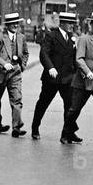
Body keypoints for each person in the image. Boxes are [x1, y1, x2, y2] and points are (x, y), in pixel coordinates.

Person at [63, 12, 93, 145]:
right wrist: (87, 71)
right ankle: (66, 132)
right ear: (91, 25)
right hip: (84, 81)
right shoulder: (84, 39)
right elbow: (79, 59)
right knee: (75, 109)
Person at [32, 11, 78, 140]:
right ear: (62, 23)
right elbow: (44, 54)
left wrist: (76, 72)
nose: (71, 26)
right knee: (43, 103)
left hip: (67, 78)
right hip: (52, 78)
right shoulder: (51, 36)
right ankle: (35, 128)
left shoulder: (71, 38)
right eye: (68, 23)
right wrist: (50, 68)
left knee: (69, 106)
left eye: (72, 24)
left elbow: (73, 58)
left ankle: (67, 133)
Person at [0, 12, 29, 137]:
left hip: (15, 73)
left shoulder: (21, 37)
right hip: (0, 73)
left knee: (17, 99)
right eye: (12, 23)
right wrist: (4, 64)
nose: (15, 25)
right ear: (7, 25)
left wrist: (22, 66)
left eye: (17, 23)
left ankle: (16, 127)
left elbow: (25, 53)